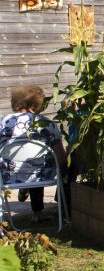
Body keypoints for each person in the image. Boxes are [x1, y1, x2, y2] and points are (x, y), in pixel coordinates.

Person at [1, 85, 67, 222]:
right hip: (42, 176)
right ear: (36, 104)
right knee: (38, 164)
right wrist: (65, 173)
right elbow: (60, 157)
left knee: (30, 165)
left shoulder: (3, 123)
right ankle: (39, 213)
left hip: (7, 176)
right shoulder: (47, 124)